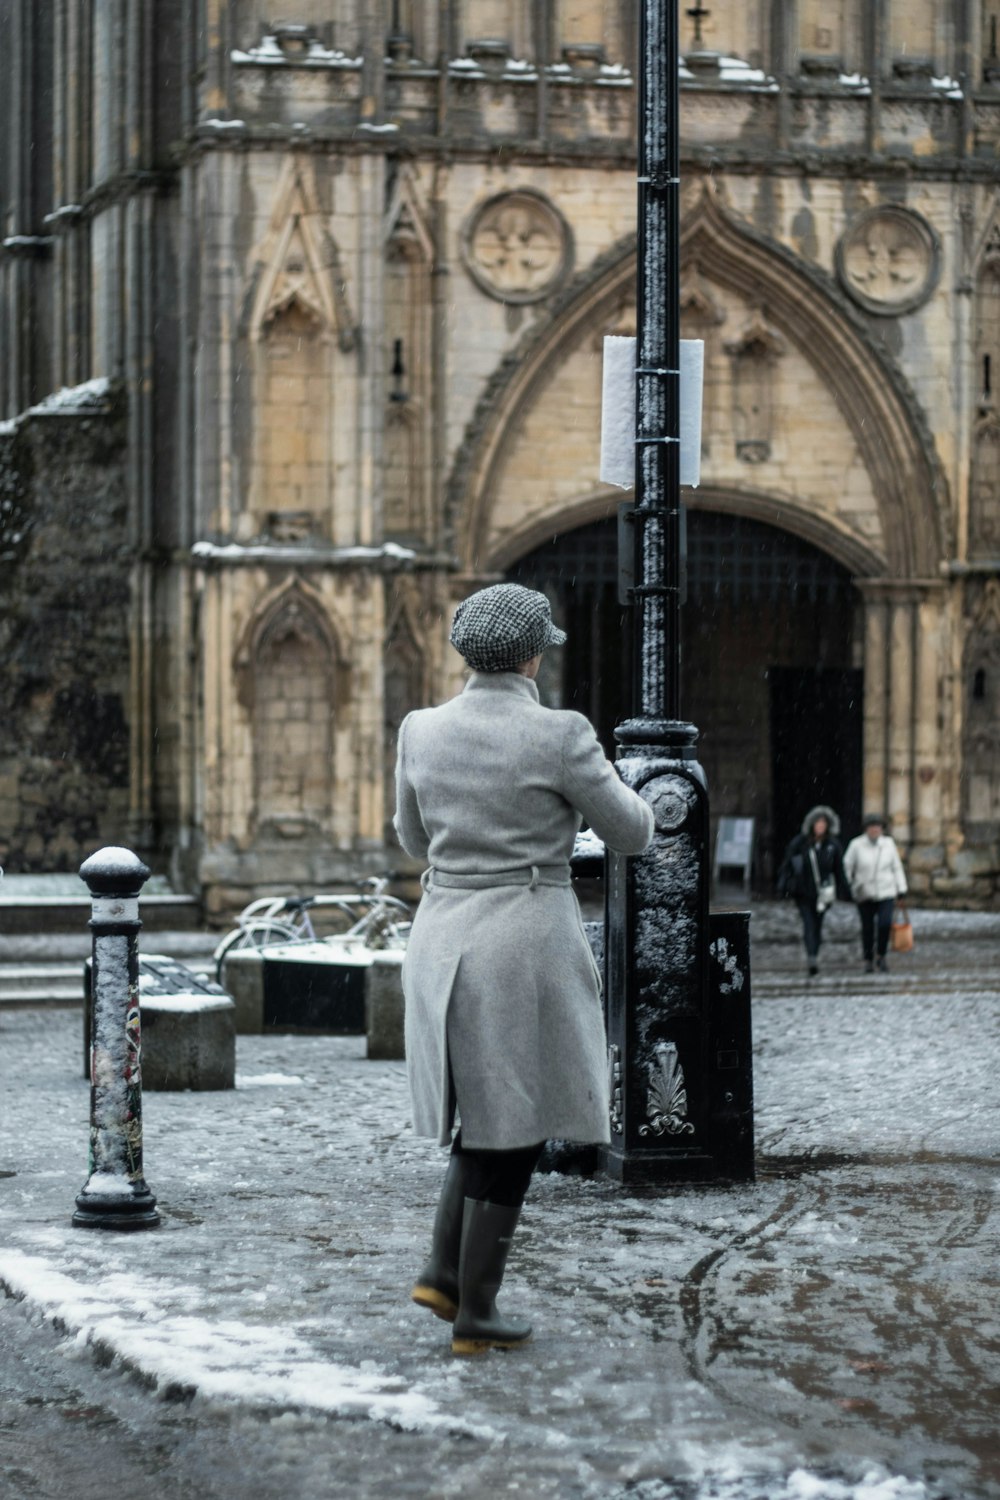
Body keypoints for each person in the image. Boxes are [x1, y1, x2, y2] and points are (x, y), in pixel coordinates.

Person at [394, 583, 654, 1356]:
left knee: (483, 1113)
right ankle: (476, 1311)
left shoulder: (421, 729)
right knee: (518, 1129)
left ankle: (443, 1270)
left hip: (442, 937)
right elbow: (633, 831)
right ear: (533, 654)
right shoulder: (559, 733)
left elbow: (413, 839)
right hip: (523, 946)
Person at [775, 804, 848, 977]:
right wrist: (783, 885)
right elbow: (788, 864)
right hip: (803, 892)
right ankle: (812, 957)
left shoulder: (832, 845)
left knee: (818, 925)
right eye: (818, 823)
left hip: (822, 894)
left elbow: (839, 870)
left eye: (823, 823)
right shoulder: (800, 843)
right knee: (809, 924)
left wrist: (846, 891)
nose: (820, 826)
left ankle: (814, 951)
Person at [843, 813, 908, 974]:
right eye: (872, 827)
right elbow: (847, 866)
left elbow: (896, 867)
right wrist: (851, 885)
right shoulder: (856, 845)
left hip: (886, 891)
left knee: (884, 924)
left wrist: (901, 888)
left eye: (877, 827)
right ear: (866, 829)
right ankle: (868, 959)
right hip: (864, 892)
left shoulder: (888, 844)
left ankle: (882, 955)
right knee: (867, 928)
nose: (875, 830)